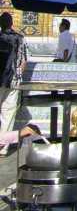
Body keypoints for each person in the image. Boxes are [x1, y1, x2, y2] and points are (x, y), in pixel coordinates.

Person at [0, 12, 28, 141]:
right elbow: (24, 61)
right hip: (13, 80)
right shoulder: (20, 38)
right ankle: (3, 146)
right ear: (12, 23)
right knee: (8, 112)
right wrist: (18, 75)